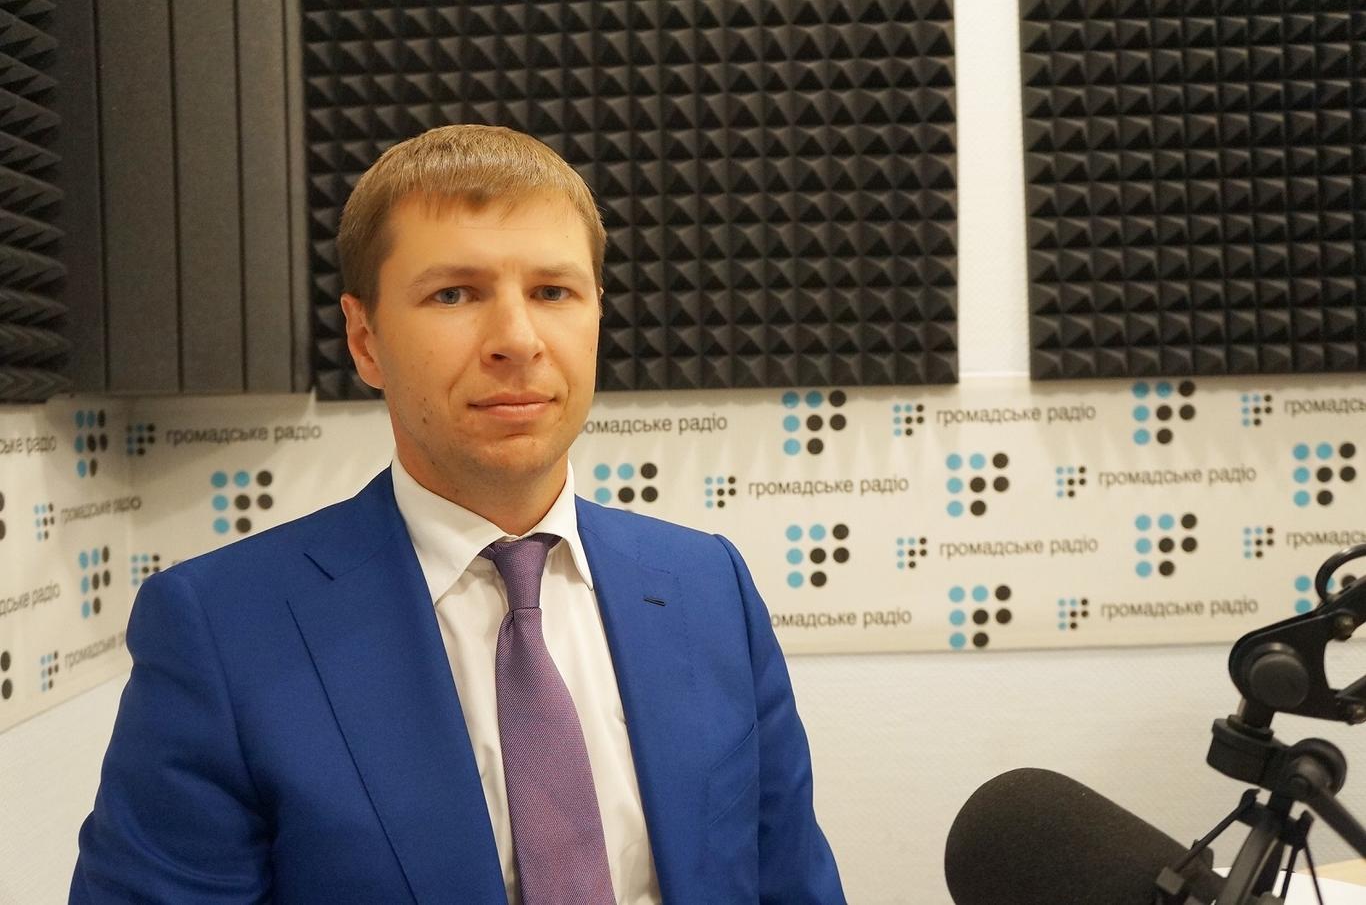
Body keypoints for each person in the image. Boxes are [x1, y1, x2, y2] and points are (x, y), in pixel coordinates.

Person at [70, 124, 844, 904]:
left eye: (553, 292)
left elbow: (791, 881)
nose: (517, 340)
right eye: (454, 294)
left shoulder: (709, 586)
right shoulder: (221, 628)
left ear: (596, 317)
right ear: (365, 340)